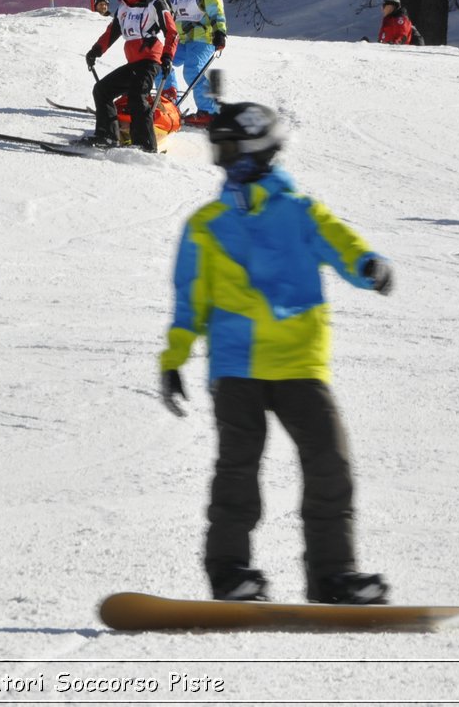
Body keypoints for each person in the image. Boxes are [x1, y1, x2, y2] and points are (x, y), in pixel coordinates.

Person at [158, 99, 394, 605]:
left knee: (329, 463)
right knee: (238, 471)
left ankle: (333, 577)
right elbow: (190, 297)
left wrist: (369, 265)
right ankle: (231, 574)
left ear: (253, 151)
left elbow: (341, 243)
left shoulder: (301, 213)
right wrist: (174, 357)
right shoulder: (207, 224)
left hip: (299, 364)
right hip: (236, 366)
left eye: (225, 150)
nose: (219, 163)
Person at [84, 0, 177, 152]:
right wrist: (95, 51)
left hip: (151, 60)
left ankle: (144, 146)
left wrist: (167, 57)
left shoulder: (155, 3)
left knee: (137, 96)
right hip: (134, 63)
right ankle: (106, 137)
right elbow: (111, 33)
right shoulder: (123, 8)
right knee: (102, 90)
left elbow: (172, 33)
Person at [163, 0, 228, 127]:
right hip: (180, 38)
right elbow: (157, 6)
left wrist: (220, 32)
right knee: (160, 63)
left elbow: (216, 10)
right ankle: (168, 99)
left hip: (203, 37)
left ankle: (209, 111)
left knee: (193, 68)